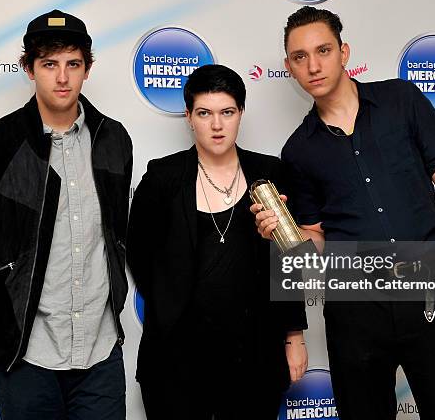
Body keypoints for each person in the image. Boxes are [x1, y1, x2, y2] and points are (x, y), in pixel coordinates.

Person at [252, 7, 435, 419]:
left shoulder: (402, 100)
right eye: (300, 57)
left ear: (344, 52)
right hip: (354, 310)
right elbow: (317, 243)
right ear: (289, 67)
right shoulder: (298, 150)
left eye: (323, 50)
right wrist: (282, 237)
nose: (313, 65)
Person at [0, 9, 131, 420]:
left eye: (73, 64)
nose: (62, 77)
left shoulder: (113, 138)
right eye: (49, 64)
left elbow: (115, 235)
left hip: (100, 353)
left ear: (88, 68)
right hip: (27, 356)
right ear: (28, 68)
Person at [127, 64, 308, 419]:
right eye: (204, 113)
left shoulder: (270, 174)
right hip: (177, 357)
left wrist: (294, 335)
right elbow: (138, 252)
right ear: (189, 117)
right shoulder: (162, 177)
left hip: (253, 352)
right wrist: (173, 303)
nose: (216, 125)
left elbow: (290, 263)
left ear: (241, 113)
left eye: (227, 112)